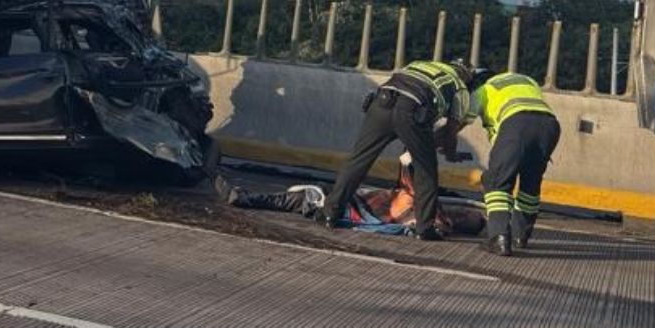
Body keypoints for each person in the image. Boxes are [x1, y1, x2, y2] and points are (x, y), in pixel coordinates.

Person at [322, 58, 474, 239]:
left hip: (381, 102)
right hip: (412, 110)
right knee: (425, 170)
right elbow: (451, 130)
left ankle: (330, 213)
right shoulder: (460, 87)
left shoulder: (420, 64)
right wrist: (451, 153)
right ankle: (425, 228)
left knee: (359, 159)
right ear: (466, 76)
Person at [217, 153, 485, 236]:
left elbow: (411, 183)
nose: (460, 211)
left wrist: (411, 158)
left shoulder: (429, 211)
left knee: (296, 199)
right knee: (299, 199)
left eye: (464, 214)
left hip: (351, 207)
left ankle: (243, 197)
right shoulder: (431, 214)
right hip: (353, 204)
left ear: (459, 219)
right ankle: (244, 196)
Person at [469, 68, 562, 256]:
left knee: (497, 181)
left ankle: (499, 238)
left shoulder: (483, 90)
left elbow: (461, 120)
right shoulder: (526, 79)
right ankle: (520, 237)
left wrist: (443, 141)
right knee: (530, 181)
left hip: (516, 124)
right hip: (549, 125)